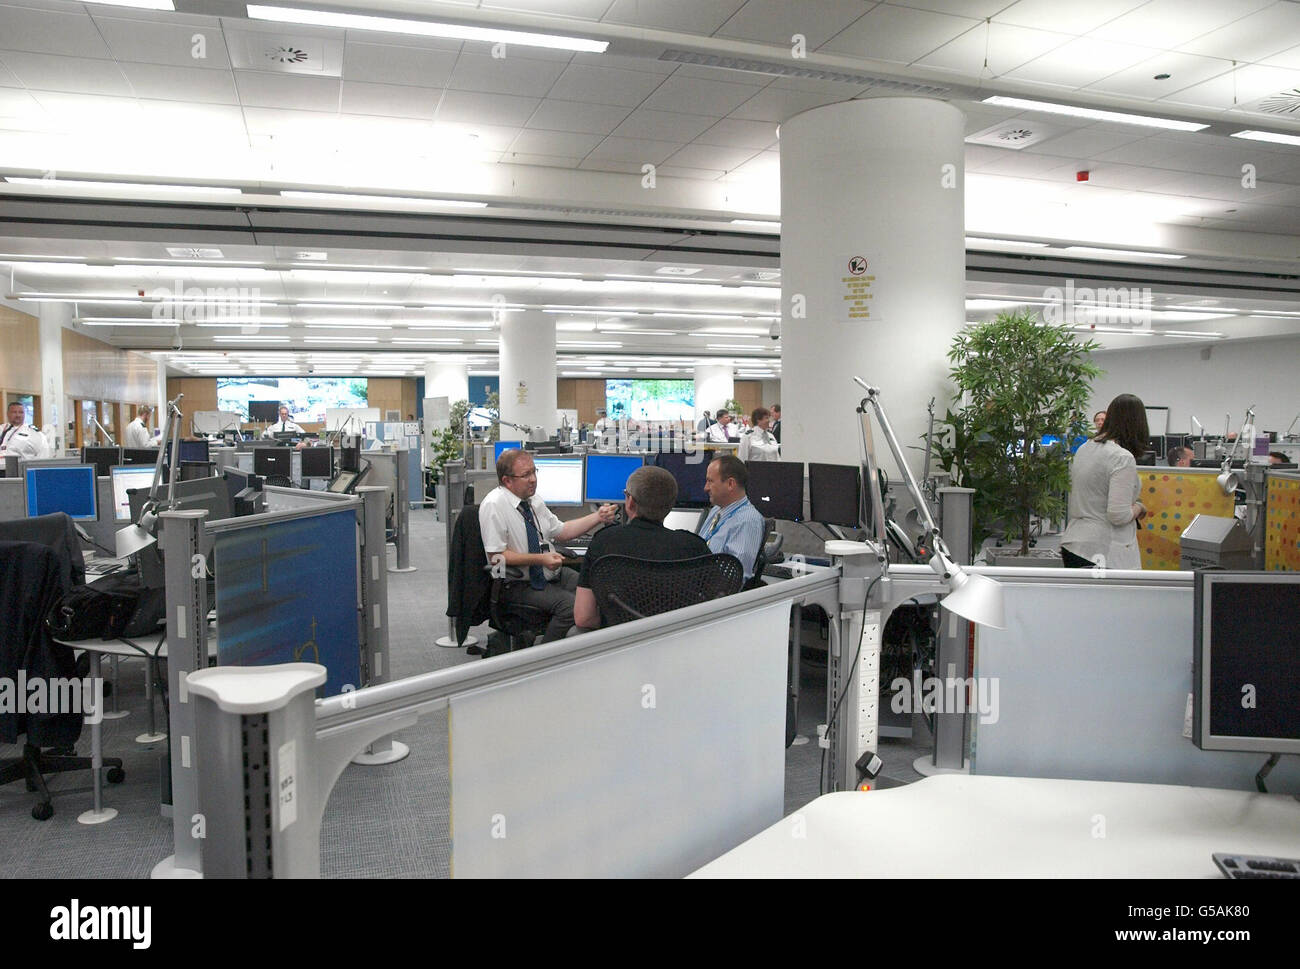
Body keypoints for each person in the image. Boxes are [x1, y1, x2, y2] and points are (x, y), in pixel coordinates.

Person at [479, 449, 617, 643]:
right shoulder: (494, 505)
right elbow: (496, 557)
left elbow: (562, 531)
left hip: (549, 574)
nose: (533, 479)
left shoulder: (533, 501)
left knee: (595, 591)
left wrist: (599, 517)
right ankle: (544, 659)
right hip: (517, 584)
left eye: (534, 472)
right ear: (507, 481)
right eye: (526, 475)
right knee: (570, 608)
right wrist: (540, 559)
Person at [572, 466, 710, 630]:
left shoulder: (604, 541)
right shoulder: (694, 547)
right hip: (677, 642)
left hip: (618, 643)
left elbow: (583, 618)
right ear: (670, 505)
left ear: (630, 503)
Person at [1060, 394, 1149, 570]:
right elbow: (1118, 515)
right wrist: (1140, 507)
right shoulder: (1122, 457)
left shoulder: (1085, 448)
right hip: (1104, 550)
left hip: (1074, 544)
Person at [698, 453, 766, 581]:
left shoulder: (747, 521)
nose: (705, 488)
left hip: (715, 594)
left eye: (710, 481)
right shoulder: (716, 511)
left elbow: (735, 577)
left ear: (730, 484)